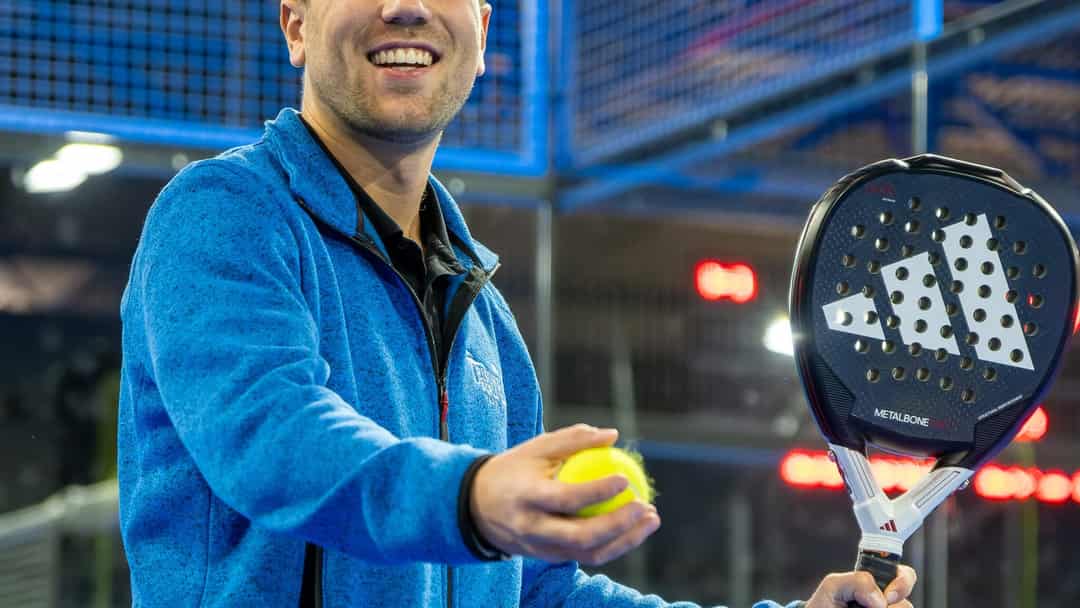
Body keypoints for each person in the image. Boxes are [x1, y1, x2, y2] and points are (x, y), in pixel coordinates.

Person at [116, 1, 917, 606]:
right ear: (295, 24)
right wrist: (474, 499)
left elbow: (542, 594)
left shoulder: (485, 321)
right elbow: (272, 438)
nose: (407, 7)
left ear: (482, 34)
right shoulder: (224, 212)